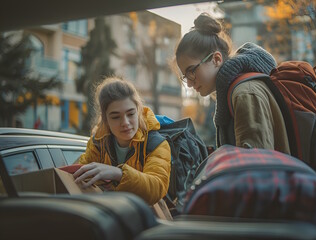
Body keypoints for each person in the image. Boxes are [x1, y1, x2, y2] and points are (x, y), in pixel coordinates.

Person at [175, 13, 290, 154]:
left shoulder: (245, 93)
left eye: (192, 71)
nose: (189, 84)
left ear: (216, 59)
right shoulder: (234, 92)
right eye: (185, 77)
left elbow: (257, 166)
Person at [73, 77, 171, 205]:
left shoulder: (156, 144)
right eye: (115, 117)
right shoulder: (98, 143)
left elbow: (157, 188)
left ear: (139, 111)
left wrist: (118, 174)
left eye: (130, 114)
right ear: (105, 119)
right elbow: (81, 177)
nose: (125, 123)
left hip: (145, 218)